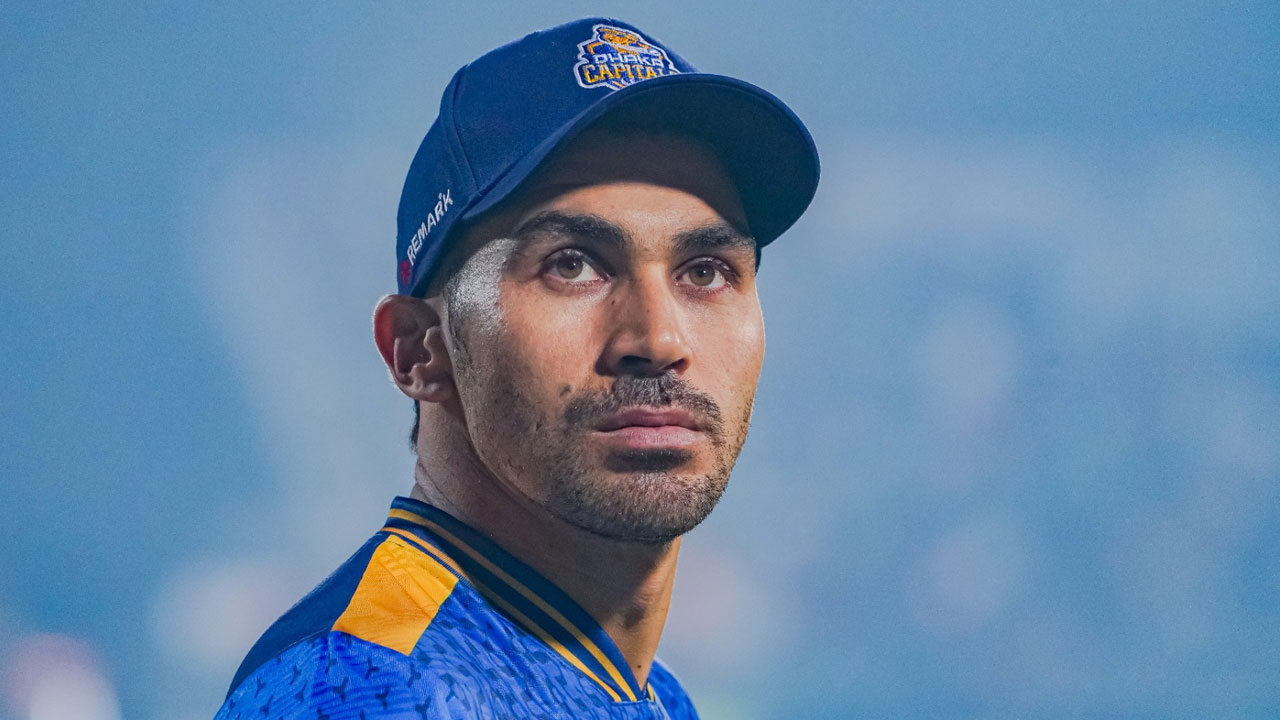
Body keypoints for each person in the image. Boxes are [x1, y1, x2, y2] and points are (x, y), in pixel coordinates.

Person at [215, 17, 818, 719]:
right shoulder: (372, 688)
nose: (658, 339)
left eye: (706, 271)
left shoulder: (644, 692)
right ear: (418, 351)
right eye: (573, 265)